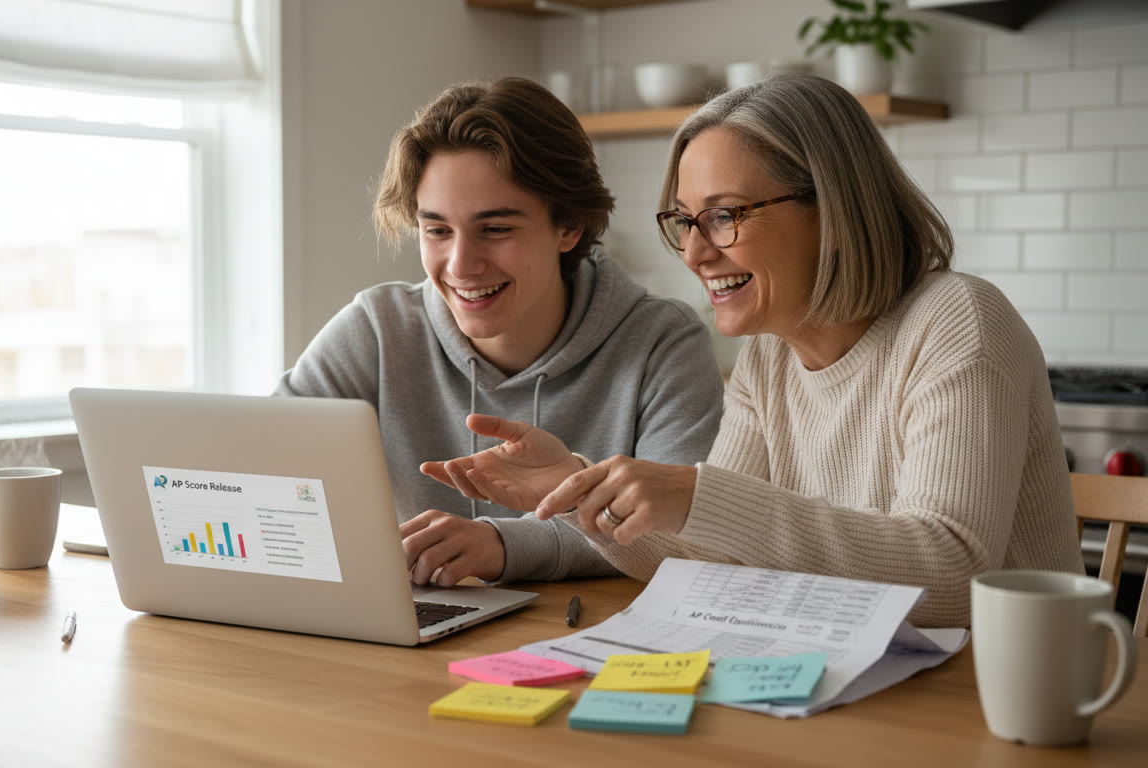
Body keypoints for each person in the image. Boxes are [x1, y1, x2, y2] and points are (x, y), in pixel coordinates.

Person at [421, 73, 1083, 627]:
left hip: (1003, 697)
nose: (695, 251)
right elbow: (711, 556)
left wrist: (697, 495)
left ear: (834, 209)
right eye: (684, 220)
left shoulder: (956, 321)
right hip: (869, 674)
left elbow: (953, 574)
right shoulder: (770, 358)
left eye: (725, 214)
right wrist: (580, 491)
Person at [275, 77, 725, 587]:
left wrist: (504, 545)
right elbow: (260, 465)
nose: (461, 265)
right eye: (437, 230)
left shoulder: (662, 343)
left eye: (495, 229)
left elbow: (679, 531)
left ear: (569, 226)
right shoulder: (376, 330)